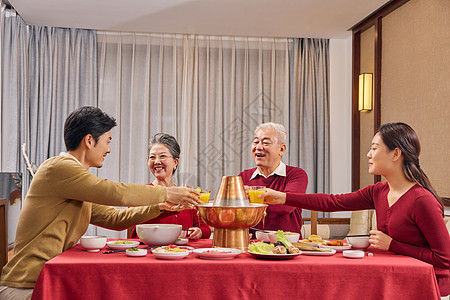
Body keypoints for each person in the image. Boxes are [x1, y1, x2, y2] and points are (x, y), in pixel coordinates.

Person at [0, 107, 201, 300]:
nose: (109, 149)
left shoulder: (75, 182)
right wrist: (165, 193)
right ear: (89, 140)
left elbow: (114, 218)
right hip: (27, 285)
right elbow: (116, 192)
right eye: (107, 141)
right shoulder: (59, 168)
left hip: (50, 278)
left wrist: (159, 207)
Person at [260, 122, 450, 297]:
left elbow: (444, 260)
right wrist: (283, 197)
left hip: (427, 284)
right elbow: (333, 202)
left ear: (395, 154)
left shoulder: (421, 200)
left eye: (374, 148)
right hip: (396, 276)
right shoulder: (379, 191)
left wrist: (392, 245)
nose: (368, 154)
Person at [130, 133, 211, 240]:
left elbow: (204, 227)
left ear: (175, 162)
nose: (157, 161)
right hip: (148, 251)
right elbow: (135, 223)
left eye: (162, 156)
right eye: (152, 157)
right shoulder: (143, 192)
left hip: (181, 252)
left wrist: (199, 232)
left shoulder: (185, 194)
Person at [238, 122, 308, 235]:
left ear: (281, 149)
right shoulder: (243, 176)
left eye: (266, 143)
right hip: (252, 244)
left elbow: (285, 206)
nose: (258, 147)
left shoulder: (296, 175)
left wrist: (251, 195)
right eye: (255, 142)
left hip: (286, 245)